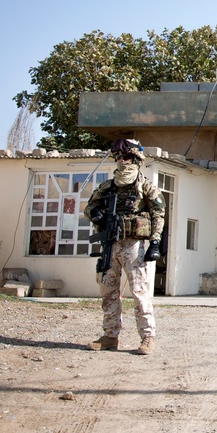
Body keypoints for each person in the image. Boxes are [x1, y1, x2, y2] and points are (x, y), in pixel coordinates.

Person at [84, 138, 166, 355]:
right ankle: (110, 336)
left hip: (134, 246)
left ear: (136, 159)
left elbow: (159, 214)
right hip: (110, 244)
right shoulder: (107, 187)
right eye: (118, 157)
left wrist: (155, 241)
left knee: (139, 293)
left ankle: (148, 337)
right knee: (108, 291)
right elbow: (89, 207)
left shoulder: (146, 187)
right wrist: (95, 214)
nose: (122, 161)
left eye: (126, 157)